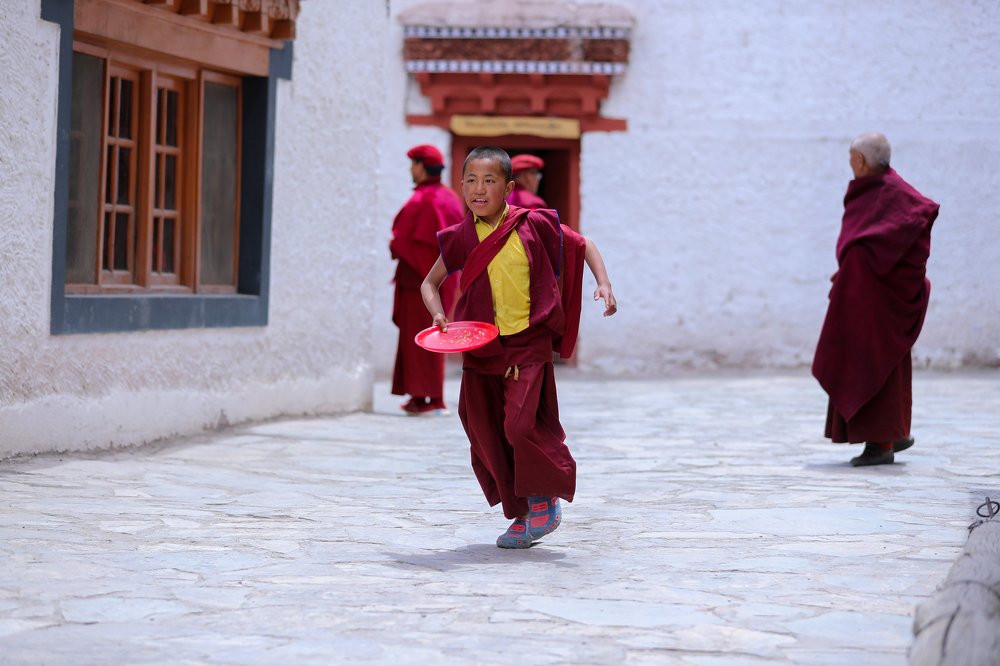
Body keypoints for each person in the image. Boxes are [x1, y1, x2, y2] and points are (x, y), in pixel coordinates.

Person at [420, 146, 617, 548]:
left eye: (489, 181)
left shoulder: (533, 225)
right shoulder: (460, 236)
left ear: (507, 187)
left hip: (527, 343)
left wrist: (604, 283)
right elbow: (429, 283)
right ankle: (521, 511)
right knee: (483, 425)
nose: (479, 189)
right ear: (461, 185)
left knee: (520, 424)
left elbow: (584, 245)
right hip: (482, 348)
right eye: (471, 180)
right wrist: (439, 315)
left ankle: (545, 497)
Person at [812, 132, 939, 467]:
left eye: (852, 157)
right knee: (877, 365)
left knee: (873, 365)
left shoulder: (894, 194)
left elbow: (889, 244)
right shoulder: (877, 190)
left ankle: (881, 443)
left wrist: (858, 272)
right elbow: (870, 245)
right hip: (868, 297)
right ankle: (893, 434)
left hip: (881, 302)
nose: (850, 163)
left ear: (861, 160)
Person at [390, 144, 465, 416]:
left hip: (420, 280)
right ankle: (420, 396)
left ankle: (432, 398)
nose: (411, 169)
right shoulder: (449, 197)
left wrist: (396, 247)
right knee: (427, 335)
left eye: (413, 164)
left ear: (422, 166)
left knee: (425, 336)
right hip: (441, 278)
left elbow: (404, 242)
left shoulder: (423, 199)